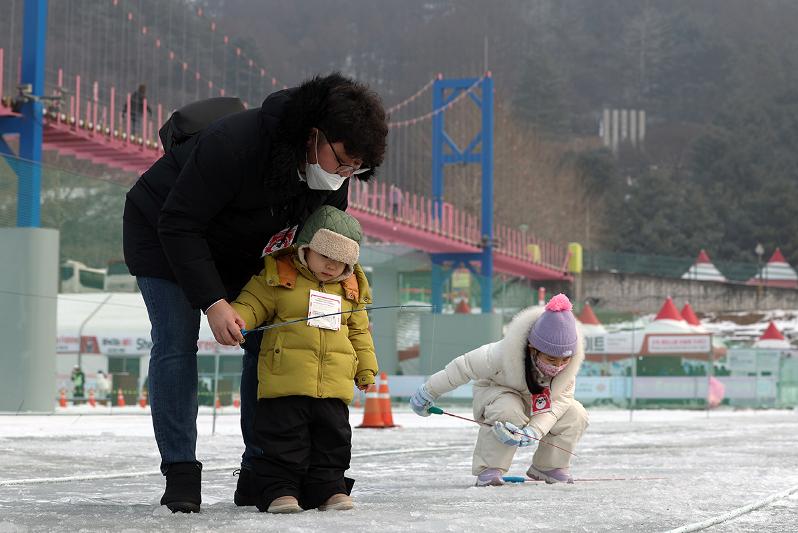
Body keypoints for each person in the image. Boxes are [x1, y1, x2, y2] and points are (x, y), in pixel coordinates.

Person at [122, 73, 387, 513]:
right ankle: (181, 471)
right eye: (341, 161)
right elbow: (179, 222)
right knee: (175, 342)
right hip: (165, 233)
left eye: (354, 169)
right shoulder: (237, 143)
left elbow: (319, 248)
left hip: (246, 250)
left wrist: (342, 296)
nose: (343, 175)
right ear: (315, 132)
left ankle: (262, 472)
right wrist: (213, 301)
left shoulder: (334, 178)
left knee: (267, 339)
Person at [229, 205, 377, 513]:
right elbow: (252, 303)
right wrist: (238, 319)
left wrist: (366, 369)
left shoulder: (350, 291)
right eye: (325, 256)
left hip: (333, 386)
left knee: (333, 441)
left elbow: (359, 333)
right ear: (306, 248)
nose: (331, 266)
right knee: (283, 440)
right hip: (286, 382)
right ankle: (280, 491)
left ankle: (330, 488)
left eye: (340, 261)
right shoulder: (280, 277)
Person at [409, 294, 588, 486]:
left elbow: (560, 403)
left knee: (575, 414)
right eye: (551, 360)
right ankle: (490, 468)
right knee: (508, 409)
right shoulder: (500, 354)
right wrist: (428, 391)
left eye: (564, 360)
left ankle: (549, 466)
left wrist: (535, 430)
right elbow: (462, 368)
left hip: (536, 406)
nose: (558, 366)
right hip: (497, 394)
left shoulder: (567, 373)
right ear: (532, 348)